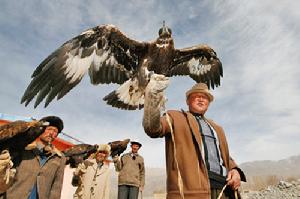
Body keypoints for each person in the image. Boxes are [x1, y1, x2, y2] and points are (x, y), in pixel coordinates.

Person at [142, 75, 246, 199]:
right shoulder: (175, 117)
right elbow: (153, 129)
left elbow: (224, 155)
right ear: (187, 101)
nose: (201, 99)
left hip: (224, 189)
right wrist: (153, 99)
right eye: (197, 96)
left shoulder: (217, 128)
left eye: (205, 98)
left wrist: (235, 170)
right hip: (191, 191)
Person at [0, 116, 66, 199]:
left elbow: (57, 186)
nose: (51, 133)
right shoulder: (24, 147)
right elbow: (7, 175)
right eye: (49, 129)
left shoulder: (60, 157)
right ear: (41, 129)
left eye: (55, 131)